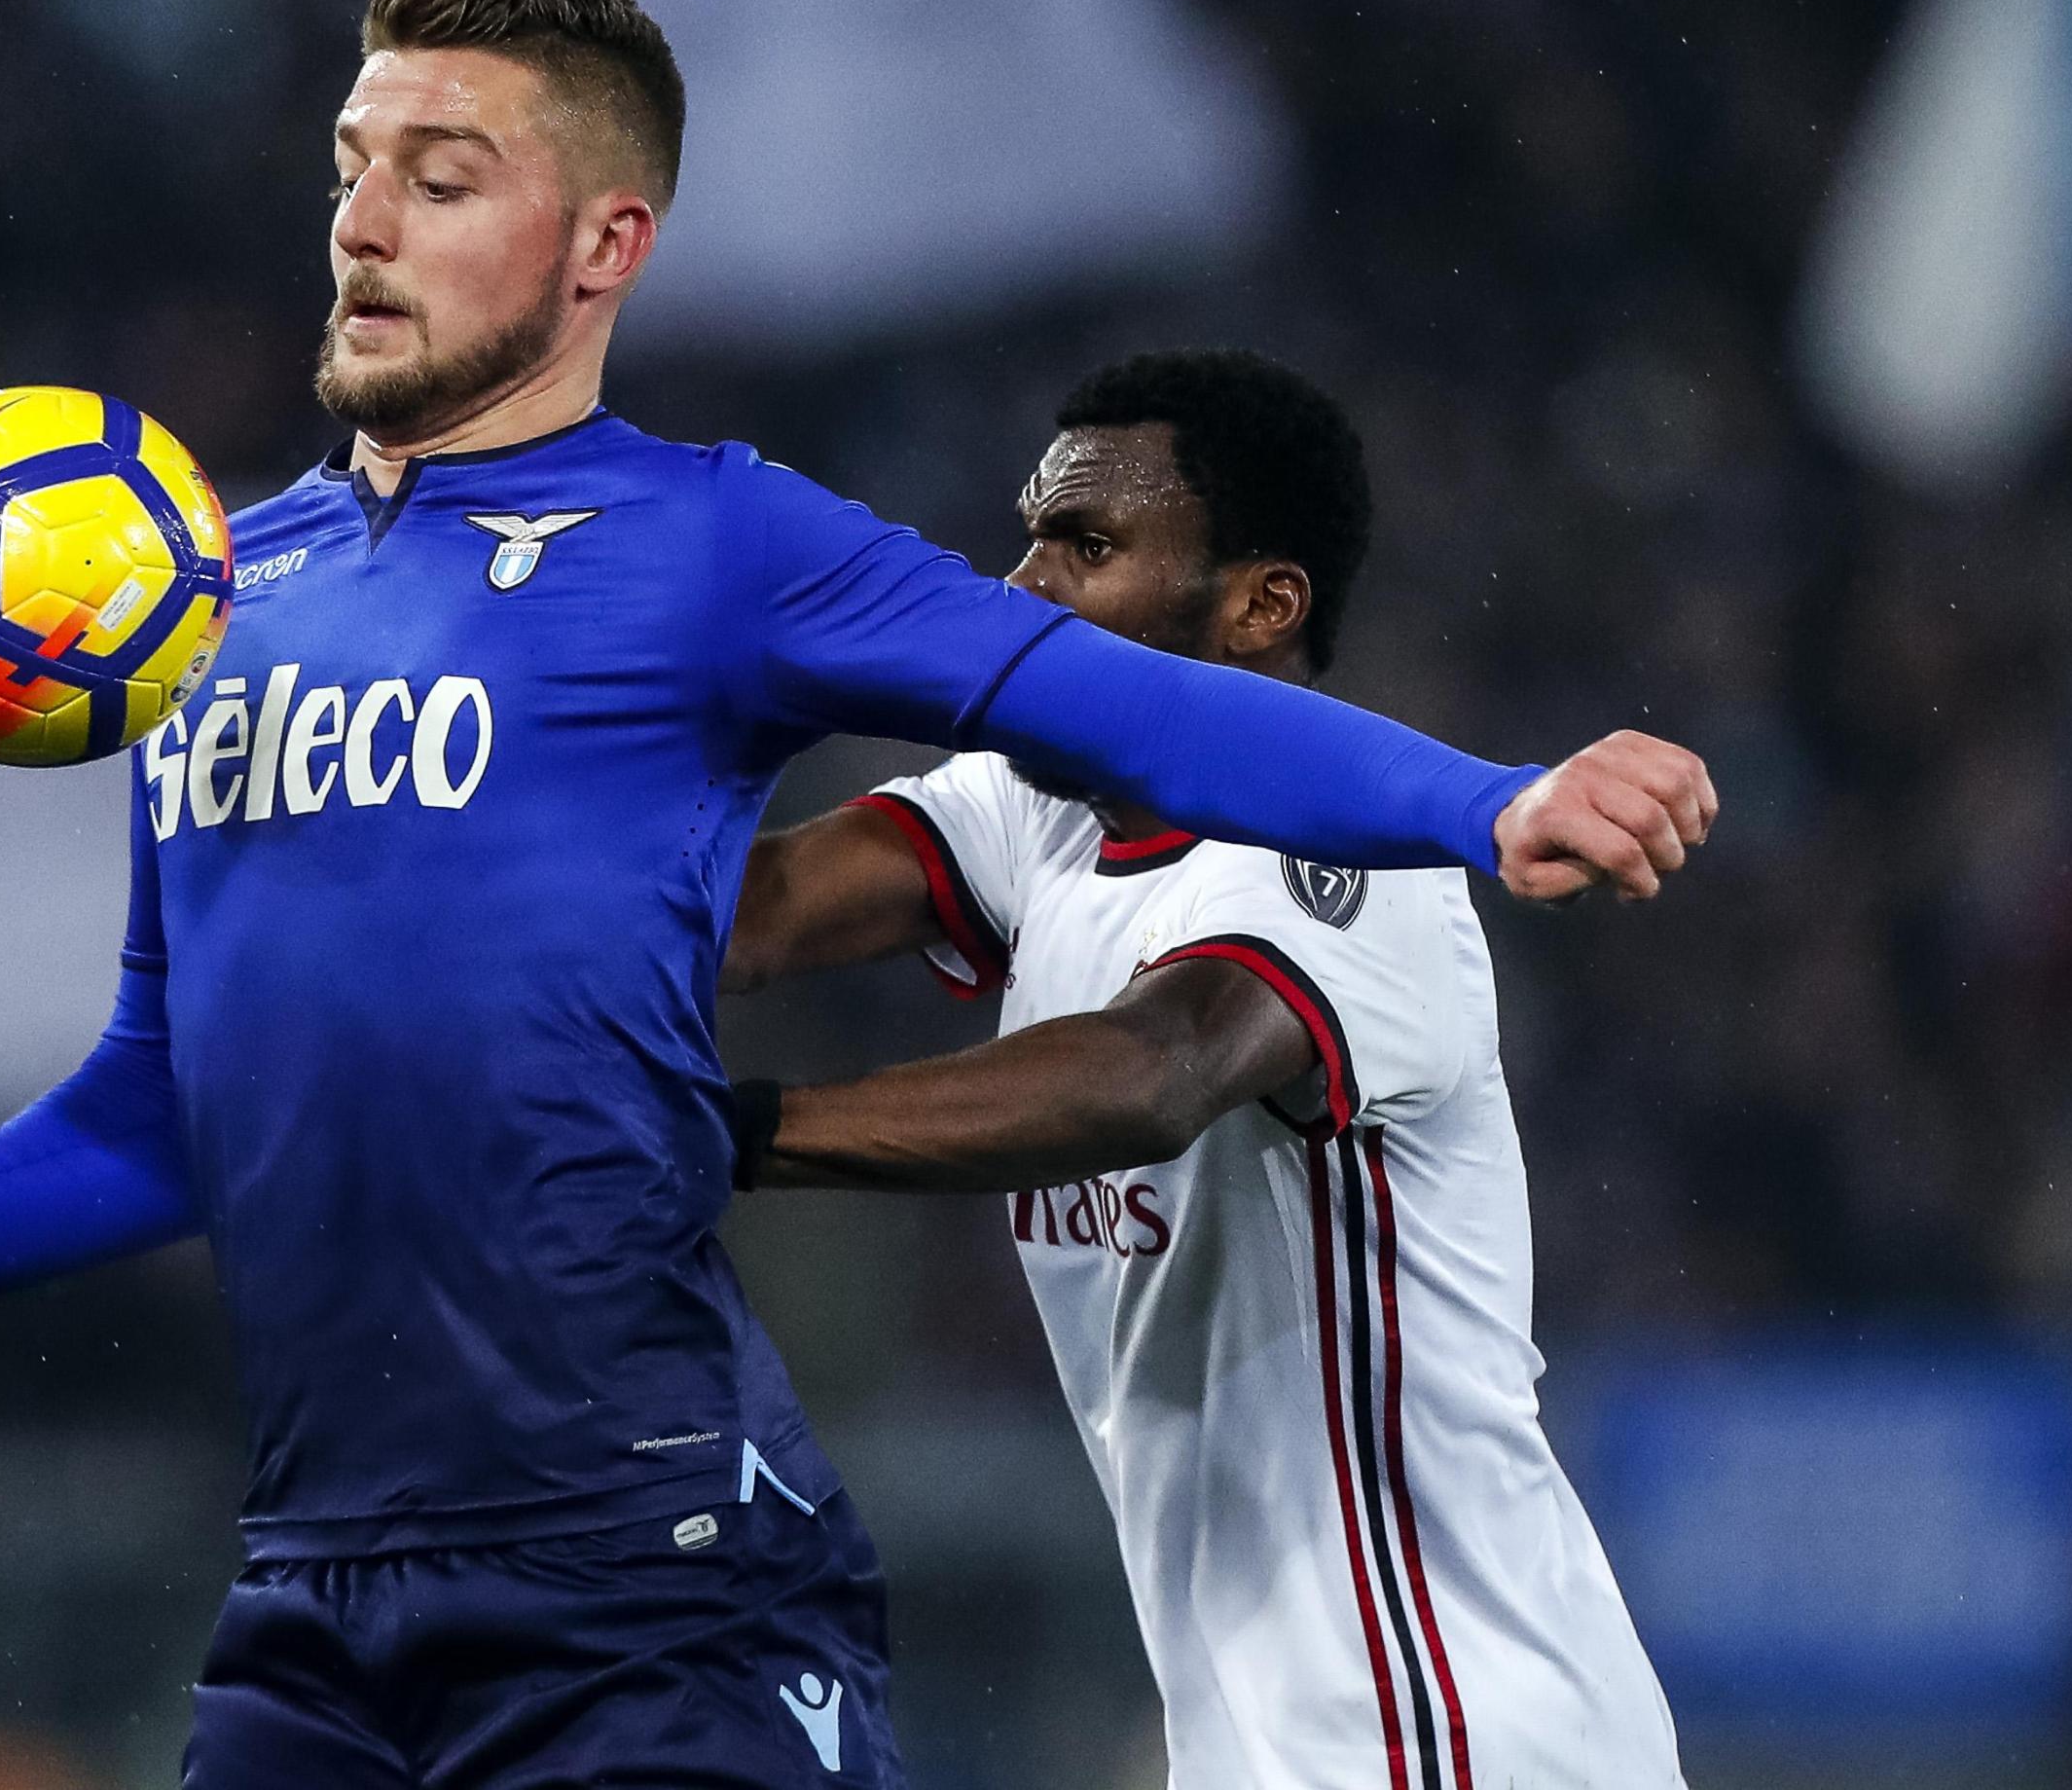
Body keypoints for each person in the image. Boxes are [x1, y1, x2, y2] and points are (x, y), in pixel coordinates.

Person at [0, 0, 1714, 1788]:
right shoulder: (210, 605)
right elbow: (176, 1104)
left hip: (648, 1571)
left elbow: (1114, 714)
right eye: (352, 165)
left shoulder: (716, 541)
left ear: (601, 248)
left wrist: (1480, 800)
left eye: (440, 174)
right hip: (312, 1597)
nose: (363, 219)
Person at [719, 347, 1688, 1790]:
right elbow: (760, 912)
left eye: (1089, 546)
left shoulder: (1354, 859)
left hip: (1462, 1736)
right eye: (1032, 535)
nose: (1022, 587)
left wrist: (728, 1133)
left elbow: (1146, 1075)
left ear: (1261, 605)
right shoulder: (1040, 811)